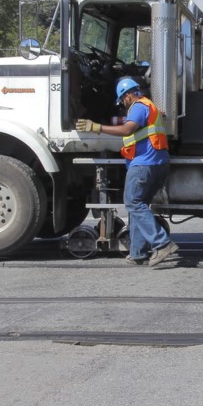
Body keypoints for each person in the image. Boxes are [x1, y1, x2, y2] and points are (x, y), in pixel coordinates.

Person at [75, 77, 179, 267]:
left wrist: (97, 127)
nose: (123, 103)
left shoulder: (138, 107)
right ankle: (137, 252)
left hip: (143, 165)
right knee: (139, 205)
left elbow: (127, 130)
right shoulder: (150, 106)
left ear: (129, 95)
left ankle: (162, 244)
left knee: (133, 203)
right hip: (157, 164)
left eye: (123, 99)